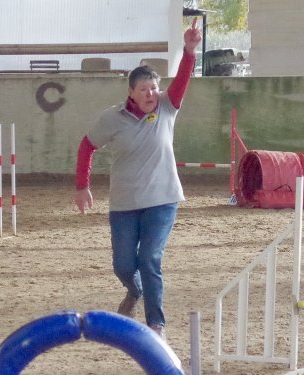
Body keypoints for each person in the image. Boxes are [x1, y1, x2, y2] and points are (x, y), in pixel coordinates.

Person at [73, 18, 202, 338]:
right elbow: (87, 146)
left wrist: (189, 51)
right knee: (123, 266)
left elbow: (184, 78)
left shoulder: (168, 107)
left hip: (162, 198)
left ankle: (156, 323)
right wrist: (82, 185)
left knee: (150, 257)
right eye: (144, 89)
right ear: (130, 91)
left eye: (154, 88)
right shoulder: (112, 118)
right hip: (124, 202)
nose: (151, 93)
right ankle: (135, 290)